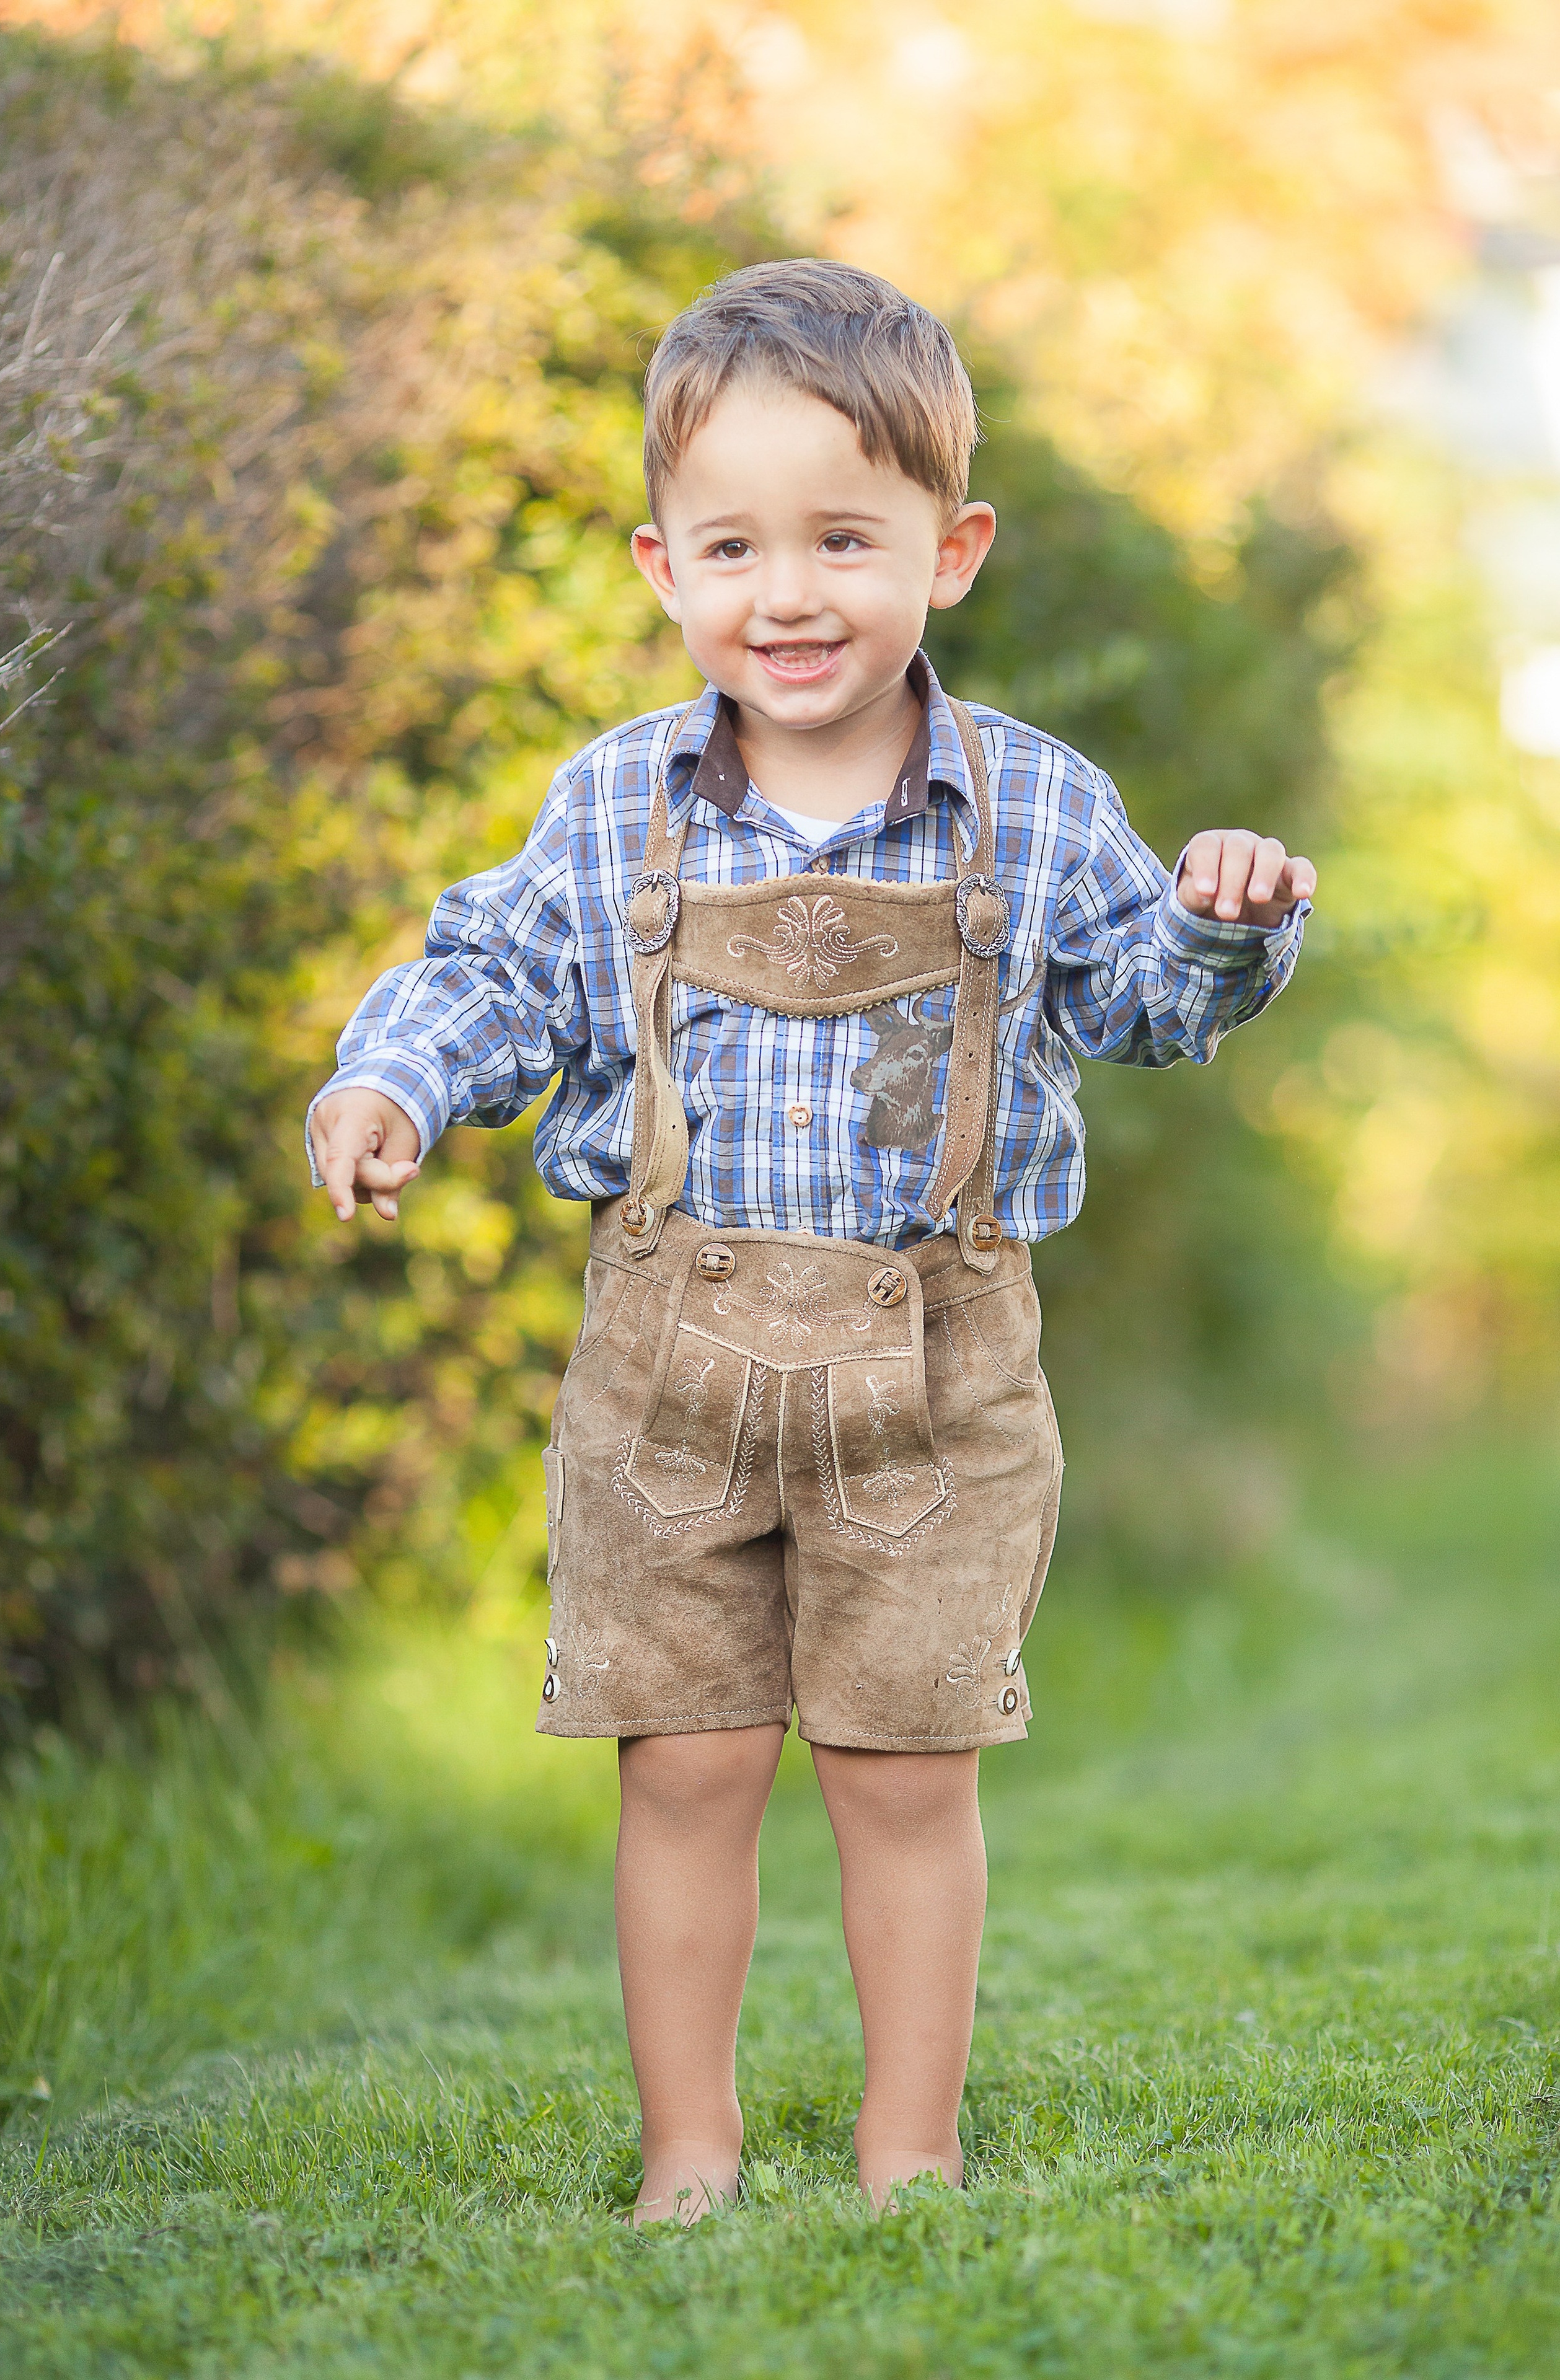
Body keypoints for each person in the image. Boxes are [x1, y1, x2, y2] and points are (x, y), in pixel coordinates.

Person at [307, 260, 1315, 2224]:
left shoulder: (1030, 799)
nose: (790, 592)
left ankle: (906, 2156)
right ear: (660, 565)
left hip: (939, 1378)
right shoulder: (615, 804)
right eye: (736, 545)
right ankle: (692, 2157)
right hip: (667, 1376)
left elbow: (1145, 1006)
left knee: (901, 1770)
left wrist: (1222, 916)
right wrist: (395, 1088)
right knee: (683, 1767)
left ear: (951, 550)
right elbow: (496, 975)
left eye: (846, 541)